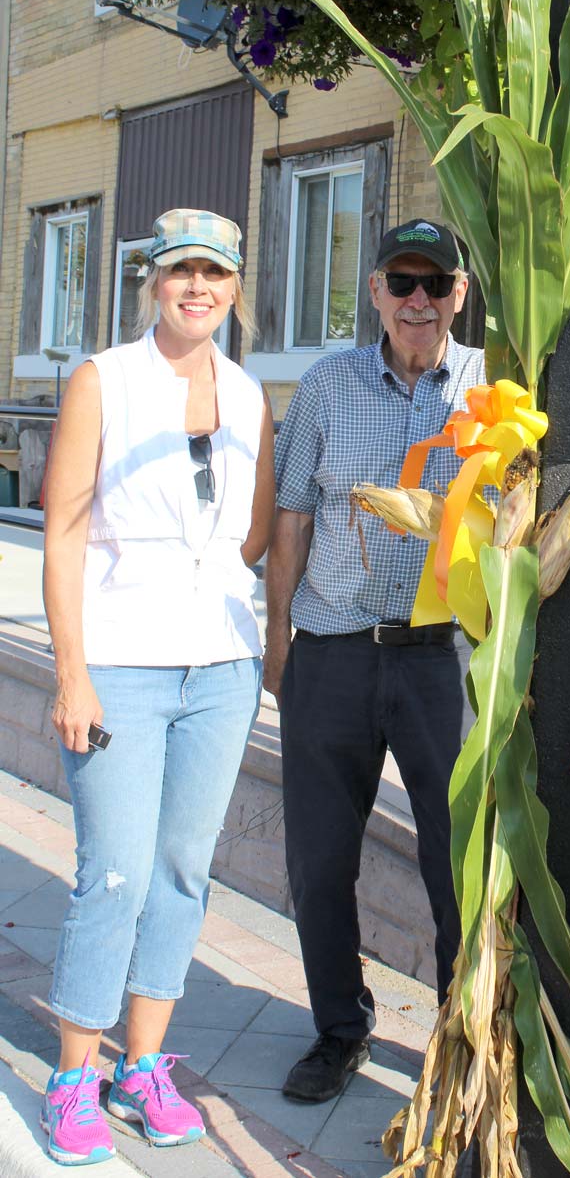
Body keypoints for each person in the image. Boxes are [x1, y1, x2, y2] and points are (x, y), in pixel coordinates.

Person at [41, 209, 274, 1166]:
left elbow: (255, 535)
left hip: (219, 665)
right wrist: (71, 674)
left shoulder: (250, 393)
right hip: (121, 664)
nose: (198, 287)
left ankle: (143, 1067)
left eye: (215, 273)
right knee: (116, 870)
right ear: (153, 279)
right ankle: (71, 1075)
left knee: (183, 870)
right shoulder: (106, 379)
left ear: (232, 286)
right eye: (182, 270)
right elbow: (60, 529)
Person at [265, 218, 484, 1103]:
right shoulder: (326, 384)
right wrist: (279, 642)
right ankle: (338, 1027)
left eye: (435, 284)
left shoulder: (487, 389)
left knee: (454, 865)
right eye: (402, 282)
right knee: (319, 861)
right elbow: (290, 518)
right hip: (335, 652)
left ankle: (461, 1038)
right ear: (376, 292)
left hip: (443, 664)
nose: (419, 300)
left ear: (460, 294)